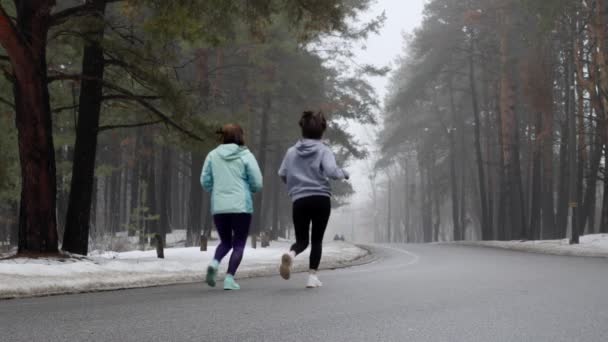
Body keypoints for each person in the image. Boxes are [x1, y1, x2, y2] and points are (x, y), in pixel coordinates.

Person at [277, 111, 349, 288]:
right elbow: (332, 172)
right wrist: (344, 173)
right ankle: (312, 277)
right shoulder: (324, 150)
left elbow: (282, 174)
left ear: (303, 130)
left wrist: (294, 184)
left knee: (302, 240)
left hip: (300, 200)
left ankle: (291, 255)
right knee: (317, 240)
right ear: (321, 132)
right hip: (320, 199)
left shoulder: (291, 152)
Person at [201, 124, 263, 290]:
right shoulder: (245, 155)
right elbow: (257, 181)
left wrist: (216, 190)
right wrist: (251, 190)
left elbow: (204, 180)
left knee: (226, 242)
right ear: (240, 137)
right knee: (239, 244)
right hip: (241, 206)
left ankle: (214, 263)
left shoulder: (212, 155)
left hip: (219, 207)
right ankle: (229, 278)